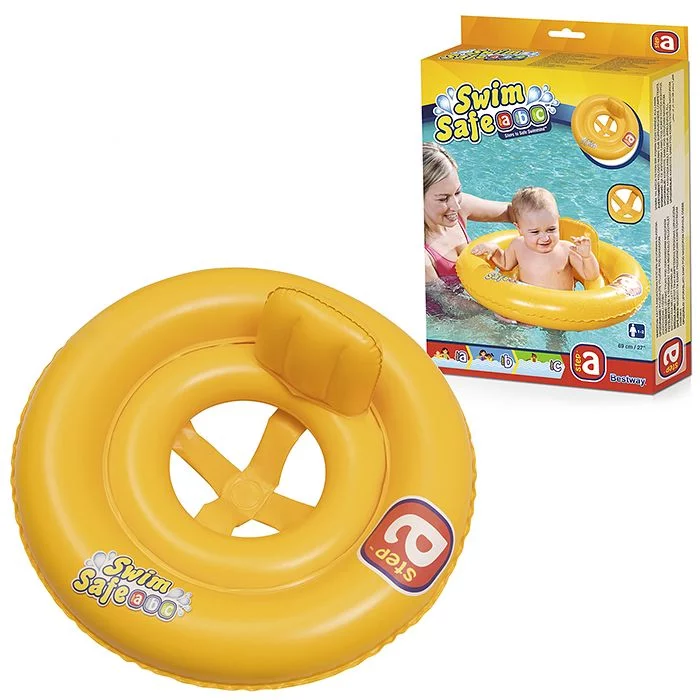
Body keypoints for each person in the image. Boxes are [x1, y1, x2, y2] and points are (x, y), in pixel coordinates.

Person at [471, 187, 600, 290]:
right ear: (519, 229)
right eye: (535, 232)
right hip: (529, 305)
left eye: (551, 229)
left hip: (560, 309)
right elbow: (505, 265)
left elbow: (590, 276)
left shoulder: (566, 249)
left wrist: (587, 257)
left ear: (557, 222)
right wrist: (494, 250)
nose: (545, 238)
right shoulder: (518, 245)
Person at [424, 143, 512, 287]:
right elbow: (446, 298)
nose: (456, 206)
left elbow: (512, 211)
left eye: (457, 192)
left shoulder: (461, 206)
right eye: (443, 199)